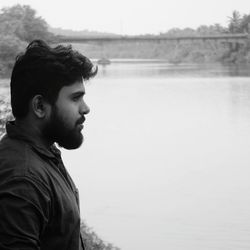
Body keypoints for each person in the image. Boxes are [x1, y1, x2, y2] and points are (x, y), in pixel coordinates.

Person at [0, 40, 97, 250]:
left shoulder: (41, 153)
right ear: (40, 106)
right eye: (75, 98)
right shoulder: (23, 179)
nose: (86, 108)